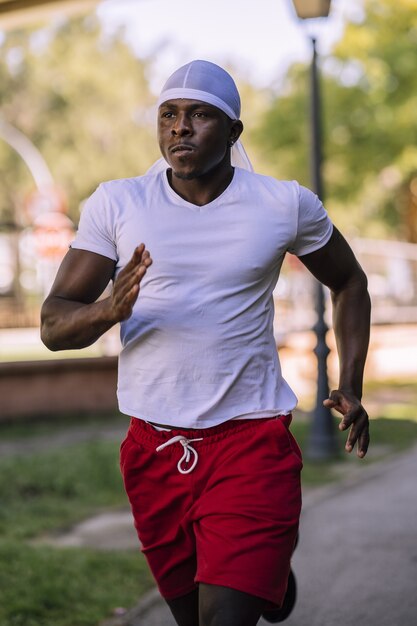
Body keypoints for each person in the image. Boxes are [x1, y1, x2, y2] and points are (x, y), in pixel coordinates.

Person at [40, 60, 371, 626]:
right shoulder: (118, 204)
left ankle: (253, 562)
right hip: (154, 449)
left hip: (250, 441)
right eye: (168, 115)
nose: (180, 128)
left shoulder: (283, 204)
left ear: (234, 132)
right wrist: (108, 309)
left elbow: (349, 281)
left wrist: (350, 384)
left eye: (199, 115)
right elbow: (52, 325)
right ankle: (266, 577)